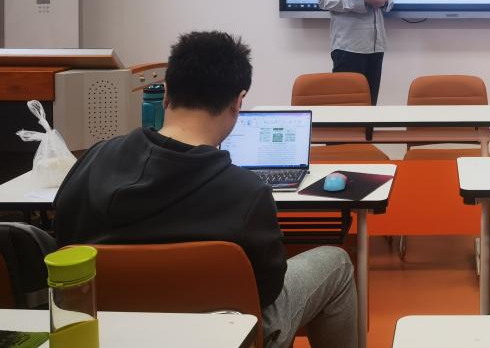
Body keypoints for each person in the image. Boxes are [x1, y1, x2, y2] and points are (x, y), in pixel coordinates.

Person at [54, 31, 357, 348]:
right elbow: (267, 291)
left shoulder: (94, 160)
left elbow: (64, 242)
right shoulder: (247, 193)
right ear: (238, 102)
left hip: (110, 334)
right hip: (226, 338)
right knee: (336, 263)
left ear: (166, 92)